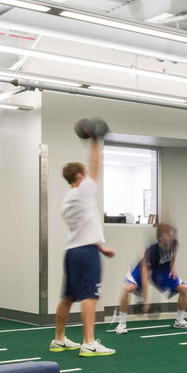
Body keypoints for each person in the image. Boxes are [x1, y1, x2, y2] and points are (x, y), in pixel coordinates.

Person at [50, 130, 116, 357]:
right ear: (79, 176)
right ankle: (89, 342)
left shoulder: (67, 202)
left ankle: (59, 339)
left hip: (73, 251)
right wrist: (96, 138)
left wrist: (101, 247)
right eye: (84, 174)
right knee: (90, 295)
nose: (88, 176)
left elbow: (85, 228)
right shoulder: (83, 192)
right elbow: (95, 163)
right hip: (85, 253)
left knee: (68, 296)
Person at [114, 224, 187, 333]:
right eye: (167, 236)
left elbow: (174, 253)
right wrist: (146, 302)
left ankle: (179, 320)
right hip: (143, 269)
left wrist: (173, 268)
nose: (171, 238)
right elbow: (145, 275)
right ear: (160, 238)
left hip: (162, 270)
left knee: (184, 289)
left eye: (172, 235)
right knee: (127, 288)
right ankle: (121, 324)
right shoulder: (152, 251)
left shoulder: (174, 243)